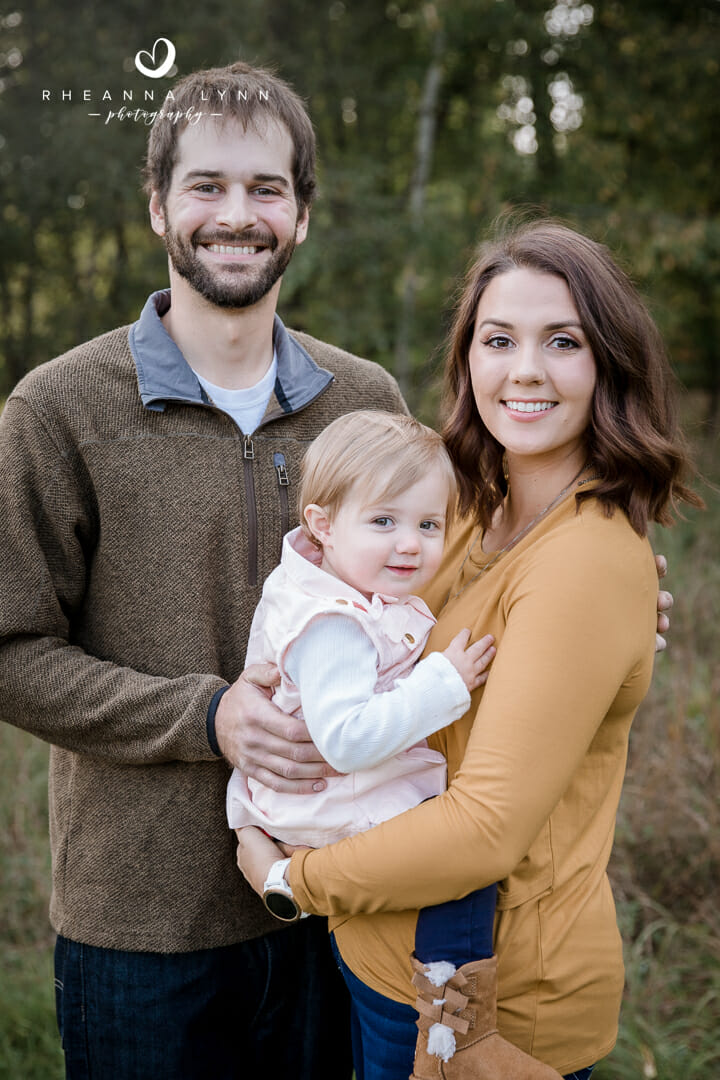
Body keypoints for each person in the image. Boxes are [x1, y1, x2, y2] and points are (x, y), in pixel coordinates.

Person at [0, 61, 408, 1079]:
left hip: (343, 898)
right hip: (143, 931)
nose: (236, 215)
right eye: (207, 187)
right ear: (158, 205)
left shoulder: (365, 400)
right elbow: (11, 651)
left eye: (266, 188)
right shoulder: (58, 409)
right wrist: (209, 716)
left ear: (301, 214)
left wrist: (606, 601)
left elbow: (437, 582)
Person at [234, 220, 701, 1080]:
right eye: (499, 339)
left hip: (481, 1008)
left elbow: (485, 831)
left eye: (563, 341)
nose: (525, 370)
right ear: (468, 359)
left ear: (609, 363)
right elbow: (337, 599)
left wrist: (292, 881)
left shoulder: (588, 558)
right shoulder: (461, 510)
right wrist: (246, 697)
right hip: (386, 963)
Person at [227, 410, 497, 847]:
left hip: (339, 804)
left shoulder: (336, 587)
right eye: (383, 521)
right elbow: (348, 740)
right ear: (324, 526)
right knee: (467, 857)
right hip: (341, 813)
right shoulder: (334, 625)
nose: (410, 543)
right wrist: (444, 682)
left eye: (428, 525)